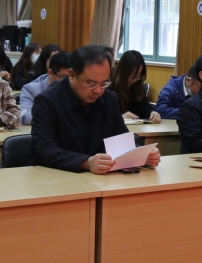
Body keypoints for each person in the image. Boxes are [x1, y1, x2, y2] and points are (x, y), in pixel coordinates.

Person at [31, 45, 161, 174]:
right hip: (57, 176)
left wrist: (142, 155)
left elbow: (122, 138)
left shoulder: (109, 99)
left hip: (100, 177)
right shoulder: (47, 101)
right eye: (91, 84)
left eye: (104, 83)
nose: (98, 90)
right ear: (71, 75)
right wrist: (86, 162)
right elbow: (44, 150)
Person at [19, 51, 70, 125]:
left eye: (71, 77)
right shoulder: (30, 89)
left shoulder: (75, 87)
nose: (68, 81)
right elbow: (25, 117)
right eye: (63, 77)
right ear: (50, 73)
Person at [111, 50, 161, 122]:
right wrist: (119, 118)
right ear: (122, 71)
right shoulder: (109, 87)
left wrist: (152, 113)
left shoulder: (137, 87)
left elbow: (145, 108)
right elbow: (102, 117)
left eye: (138, 75)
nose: (134, 79)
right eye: (132, 74)